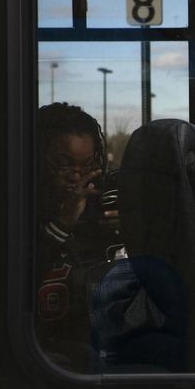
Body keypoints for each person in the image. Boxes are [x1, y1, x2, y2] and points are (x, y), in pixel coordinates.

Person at [36, 102, 119, 372]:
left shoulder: (98, 212)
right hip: (38, 348)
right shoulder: (16, 214)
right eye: (64, 166)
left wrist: (122, 235)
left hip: (99, 335)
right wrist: (64, 222)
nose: (77, 178)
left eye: (88, 166)